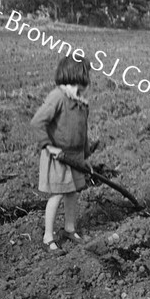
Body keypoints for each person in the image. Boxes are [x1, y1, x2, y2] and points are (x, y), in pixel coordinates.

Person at [30, 56, 93, 253]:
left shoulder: (80, 102)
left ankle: (69, 228)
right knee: (57, 194)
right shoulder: (57, 97)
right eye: (86, 75)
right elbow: (38, 122)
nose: (88, 79)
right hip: (58, 157)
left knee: (72, 193)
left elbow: (82, 130)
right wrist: (49, 147)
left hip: (75, 156)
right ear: (77, 76)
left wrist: (86, 154)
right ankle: (48, 237)